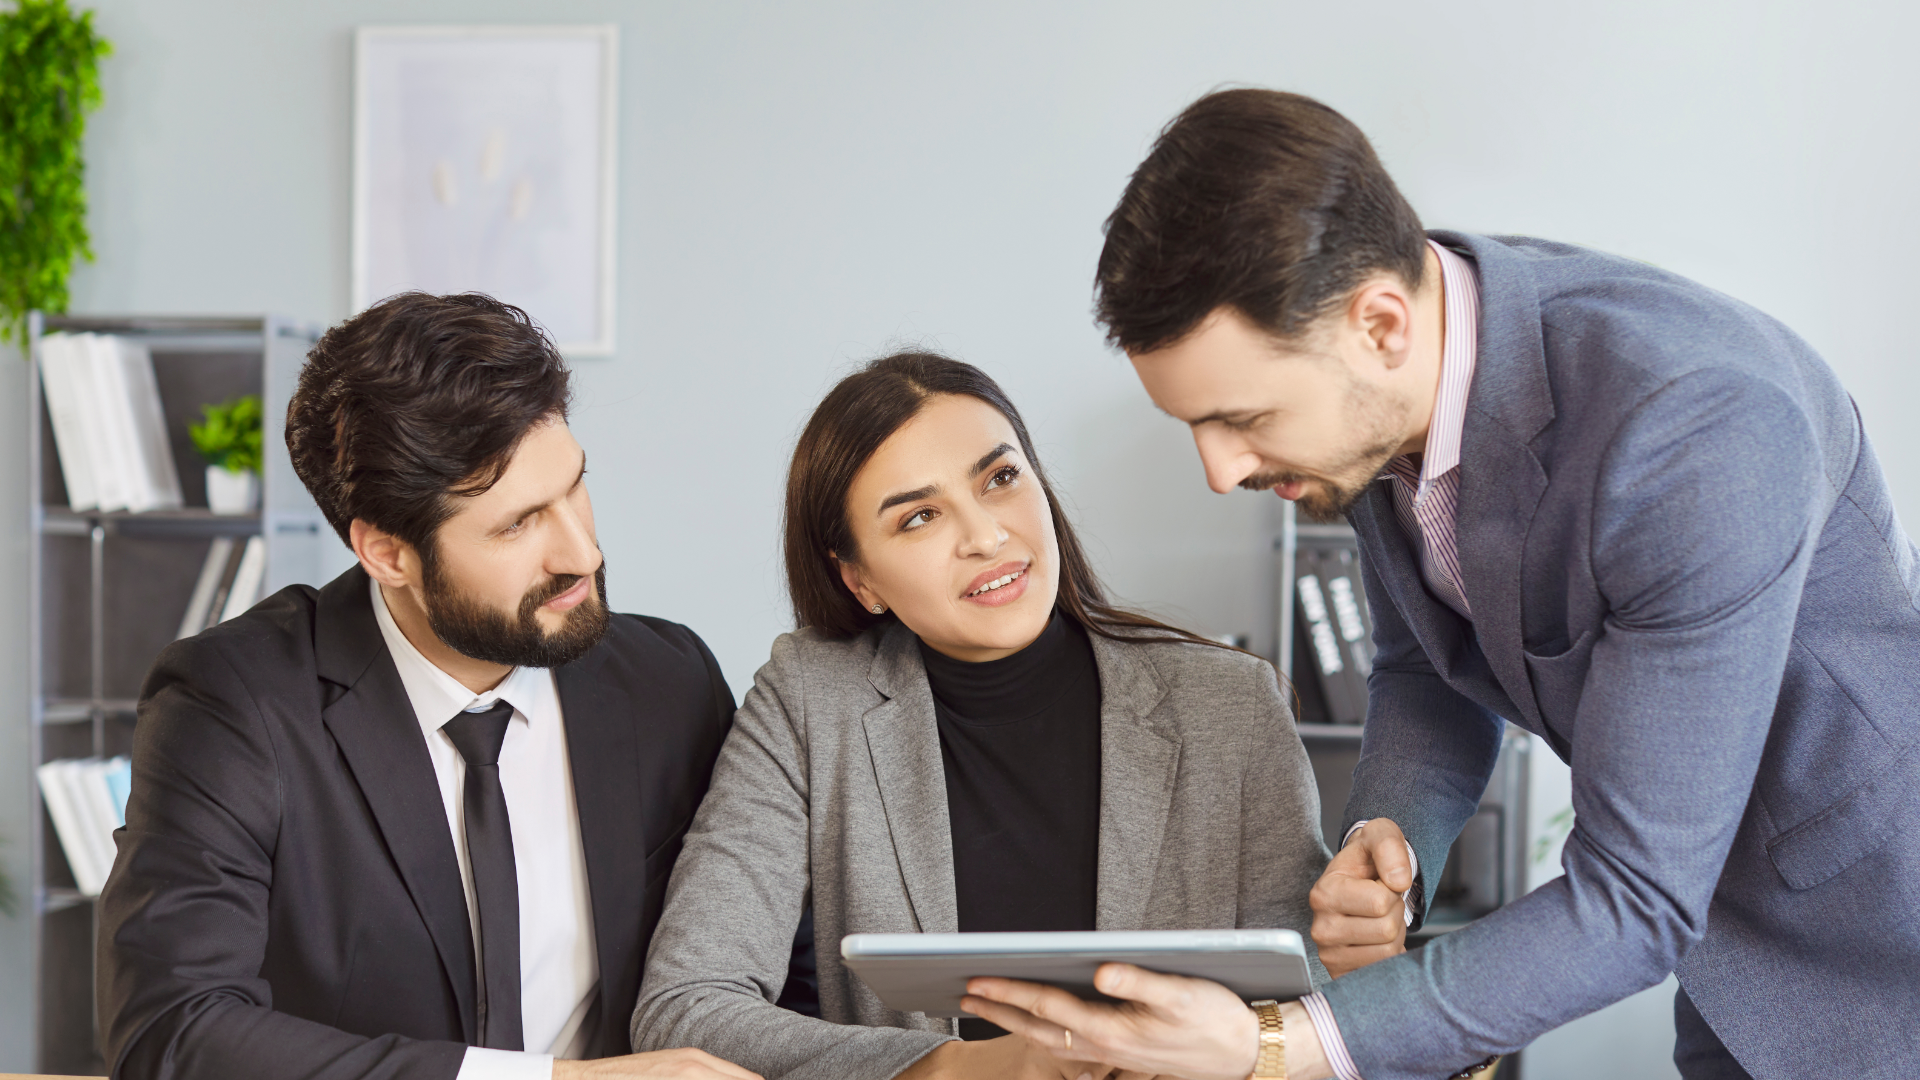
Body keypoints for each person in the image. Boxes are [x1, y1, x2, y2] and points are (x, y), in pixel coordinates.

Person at [965, 89, 1920, 1079]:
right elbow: (1428, 663)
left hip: (1880, 946)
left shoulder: (1697, 426)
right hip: (1731, 961)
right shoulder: (1401, 383)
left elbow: (1635, 897)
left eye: (1243, 417)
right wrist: (1395, 833)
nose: (1221, 470)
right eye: (1193, 426)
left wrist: (1276, 1045)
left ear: (1378, 324)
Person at [98, 293, 758, 1080]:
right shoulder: (232, 704)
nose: (581, 553)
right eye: (517, 525)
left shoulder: (670, 680)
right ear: (387, 554)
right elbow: (171, 1033)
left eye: (575, 487)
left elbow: (774, 963)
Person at [631, 352, 1331, 1080]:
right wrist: (966, 1068)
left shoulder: (1233, 704)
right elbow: (686, 1008)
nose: (986, 536)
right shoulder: (809, 701)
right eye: (920, 516)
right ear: (860, 579)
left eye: (1001, 478)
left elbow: (1323, 1011)